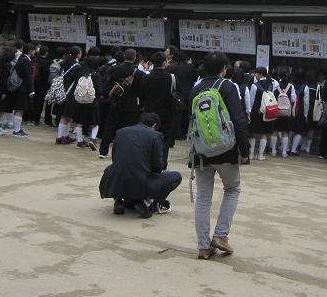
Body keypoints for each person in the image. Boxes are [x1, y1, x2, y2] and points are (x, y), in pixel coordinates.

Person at [190, 51, 250, 260]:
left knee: (203, 198)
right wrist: (244, 151)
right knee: (232, 189)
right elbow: (239, 120)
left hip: (201, 153)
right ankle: (221, 236)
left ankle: (203, 246)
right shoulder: (228, 87)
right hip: (227, 150)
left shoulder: (195, 89)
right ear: (225, 68)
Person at [99, 112, 183, 218]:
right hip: (141, 180)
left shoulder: (121, 132)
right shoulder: (156, 135)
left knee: (113, 169)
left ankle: (118, 200)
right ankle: (146, 202)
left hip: (118, 179)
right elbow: (157, 166)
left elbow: (115, 158)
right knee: (176, 176)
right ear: (154, 125)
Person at [139, 50, 181, 170]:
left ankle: (148, 162)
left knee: (148, 138)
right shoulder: (171, 78)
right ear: (164, 62)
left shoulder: (146, 78)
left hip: (149, 112)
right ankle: (162, 164)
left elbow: (141, 96)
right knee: (165, 139)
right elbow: (179, 94)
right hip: (167, 112)